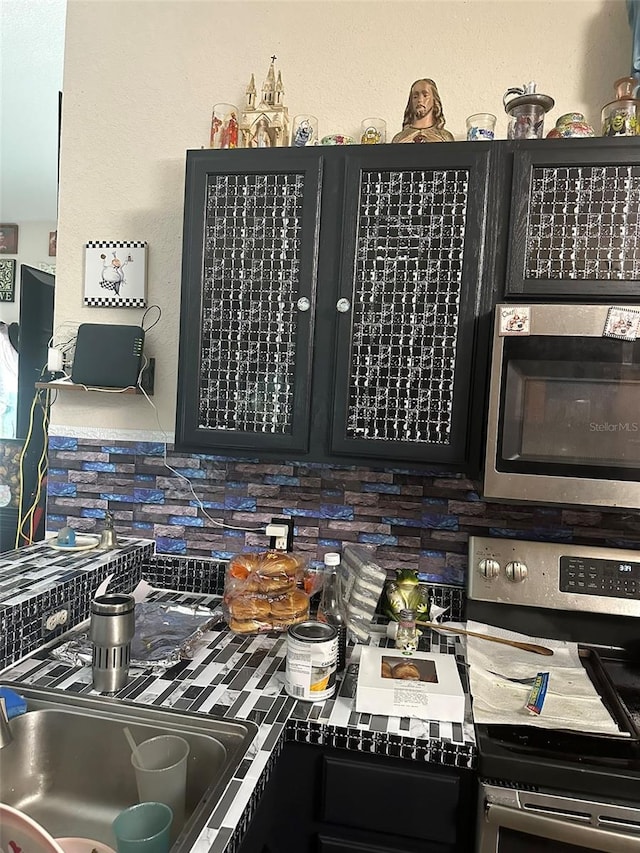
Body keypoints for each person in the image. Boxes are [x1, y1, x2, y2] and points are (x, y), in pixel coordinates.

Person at [392, 78, 454, 143]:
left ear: (434, 100)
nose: (420, 100)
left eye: (425, 95)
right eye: (415, 97)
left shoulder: (444, 137)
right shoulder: (400, 138)